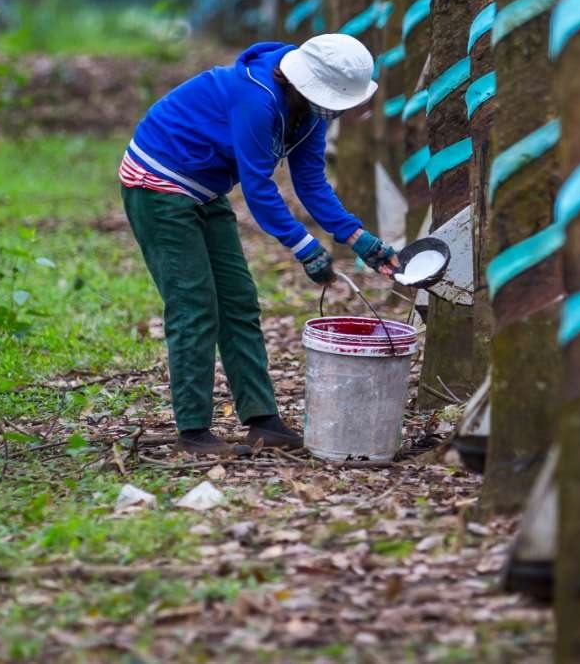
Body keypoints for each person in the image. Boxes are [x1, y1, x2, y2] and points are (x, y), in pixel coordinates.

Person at [119, 34, 403, 457]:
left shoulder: (309, 112)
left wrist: (359, 238)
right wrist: (304, 246)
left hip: (204, 188)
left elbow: (310, 183)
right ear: (305, 83)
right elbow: (257, 187)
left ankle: (262, 420)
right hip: (157, 182)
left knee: (239, 302)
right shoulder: (257, 98)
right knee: (194, 304)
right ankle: (193, 432)